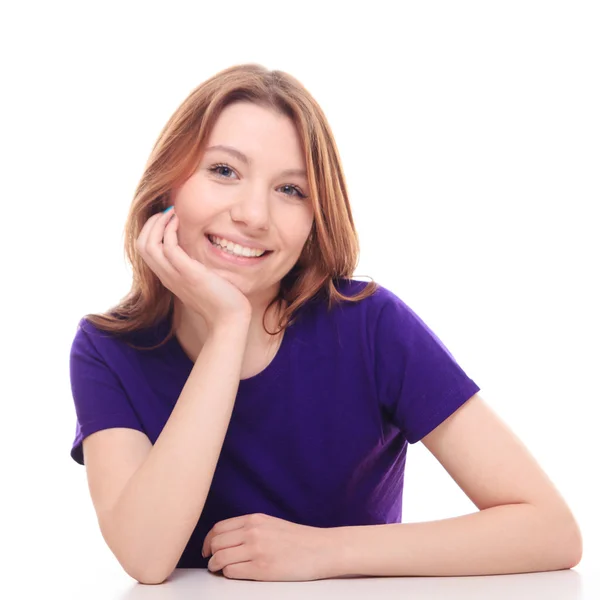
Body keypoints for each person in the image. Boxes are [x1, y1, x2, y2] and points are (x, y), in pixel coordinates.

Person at [69, 64, 582, 584]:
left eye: (291, 190)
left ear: (316, 219)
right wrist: (228, 326)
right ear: (166, 188)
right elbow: (145, 556)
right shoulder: (108, 350)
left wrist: (324, 552)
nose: (253, 215)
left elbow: (551, 530)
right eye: (224, 171)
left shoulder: (370, 326)